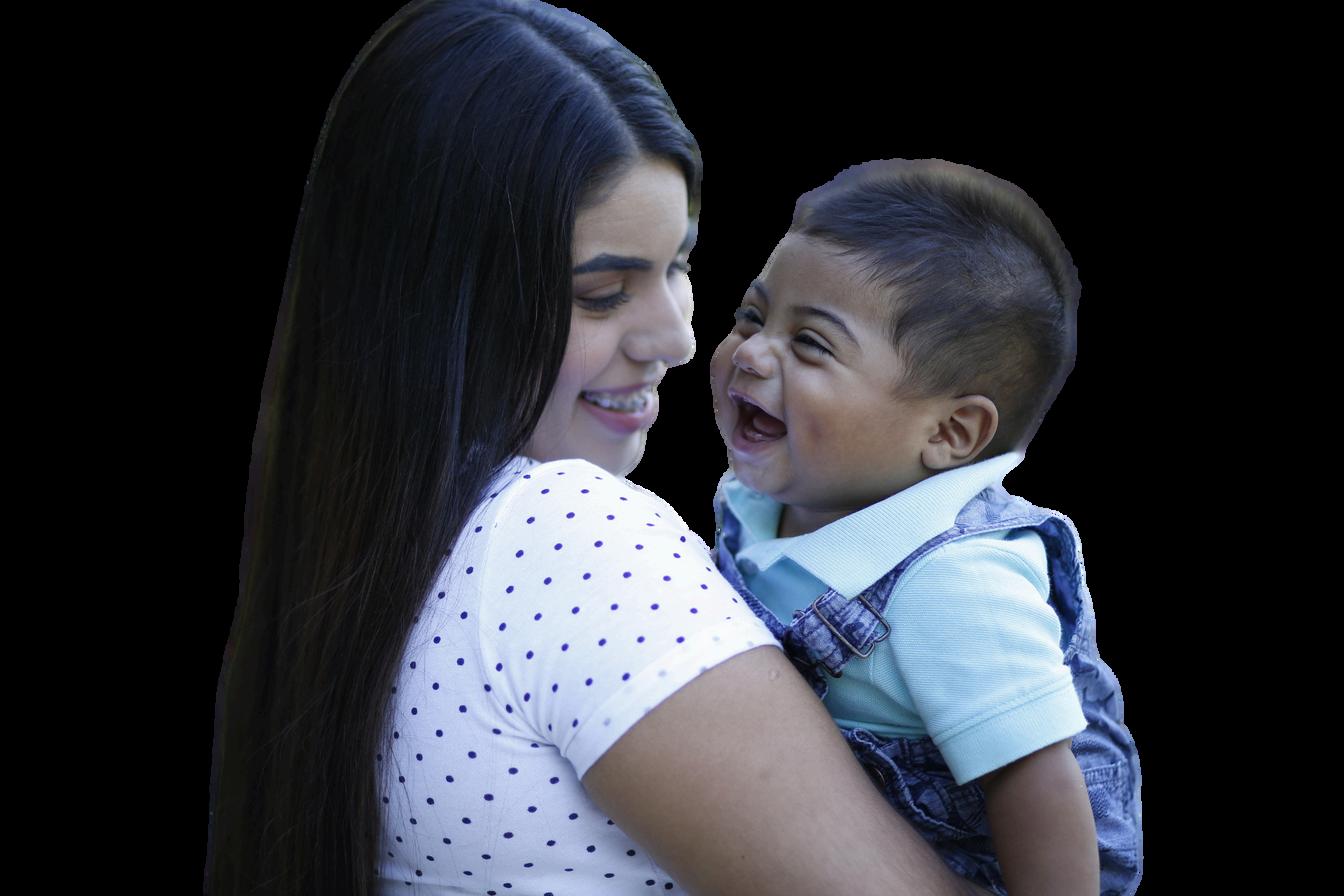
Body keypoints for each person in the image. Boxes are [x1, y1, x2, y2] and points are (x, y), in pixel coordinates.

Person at [207, 3, 995, 894]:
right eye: (602, 294)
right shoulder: (565, 538)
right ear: (439, 305)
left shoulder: (366, 554)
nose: (678, 339)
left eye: (678, 265)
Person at [709, 158, 1143, 895]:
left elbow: (1037, 785)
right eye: (753, 316)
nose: (750, 352)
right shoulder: (761, 494)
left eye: (811, 344)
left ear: (949, 433)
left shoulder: (954, 583)